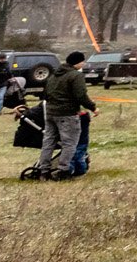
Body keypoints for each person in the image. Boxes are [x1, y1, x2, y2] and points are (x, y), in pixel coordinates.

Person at [31, 51, 97, 180]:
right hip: (67, 114)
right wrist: (93, 107)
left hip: (50, 113)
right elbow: (80, 95)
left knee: (48, 142)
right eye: (82, 61)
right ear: (77, 62)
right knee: (70, 143)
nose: (83, 64)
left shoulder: (54, 75)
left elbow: (45, 94)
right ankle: (63, 170)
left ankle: (44, 170)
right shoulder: (75, 76)